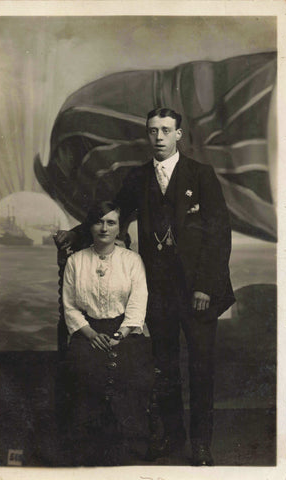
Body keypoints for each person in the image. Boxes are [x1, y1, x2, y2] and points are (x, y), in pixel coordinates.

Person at [56, 108, 235, 466]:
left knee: (200, 368)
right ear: (147, 134)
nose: (158, 137)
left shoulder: (201, 175)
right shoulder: (139, 178)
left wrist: (204, 287)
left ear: (179, 135)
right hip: (160, 292)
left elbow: (219, 234)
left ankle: (201, 444)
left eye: (166, 131)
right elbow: (113, 212)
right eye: (152, 131)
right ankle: (172, 437)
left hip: (198, 292)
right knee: (165, 367)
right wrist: (73, 235)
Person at [61, 200, 151, 466]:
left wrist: (121, 333)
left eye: (111, 222)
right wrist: (89, 334)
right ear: (89, 226)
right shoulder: (76, 262)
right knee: (86, 381)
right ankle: (89, 451)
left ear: (119, 228)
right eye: (99, 221)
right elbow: (70, 306)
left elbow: (138, 301)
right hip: (88, 331)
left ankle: (129, 450)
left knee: (130, 381)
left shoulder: (132, 261)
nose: (104, 228)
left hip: (126, 331)